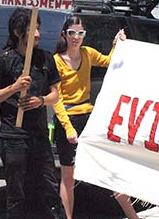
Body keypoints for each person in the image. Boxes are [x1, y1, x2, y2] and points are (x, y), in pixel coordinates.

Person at [52, 16, 139, 219]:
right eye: (72, 33)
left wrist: (116, 43)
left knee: (109, 166)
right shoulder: (56, 60)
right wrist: (68, 128)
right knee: (68, 176)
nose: (76, 37)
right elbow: (57, 99)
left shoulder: (88, 53)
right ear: (65, 34)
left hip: (89, 117)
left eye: (80, 33)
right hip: (68, 120)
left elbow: (109, 61)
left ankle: (132, 215)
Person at [0, 7, 66, 219]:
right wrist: (14, 87)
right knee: (16, 194)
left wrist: (40, 101)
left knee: (49, 190)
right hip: (14, 137)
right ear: (17, 32)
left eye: (38, 29)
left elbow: (55, 95)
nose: (38, 34)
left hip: (39, 136)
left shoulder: (46, 58)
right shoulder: (3, 60)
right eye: (31, 30)